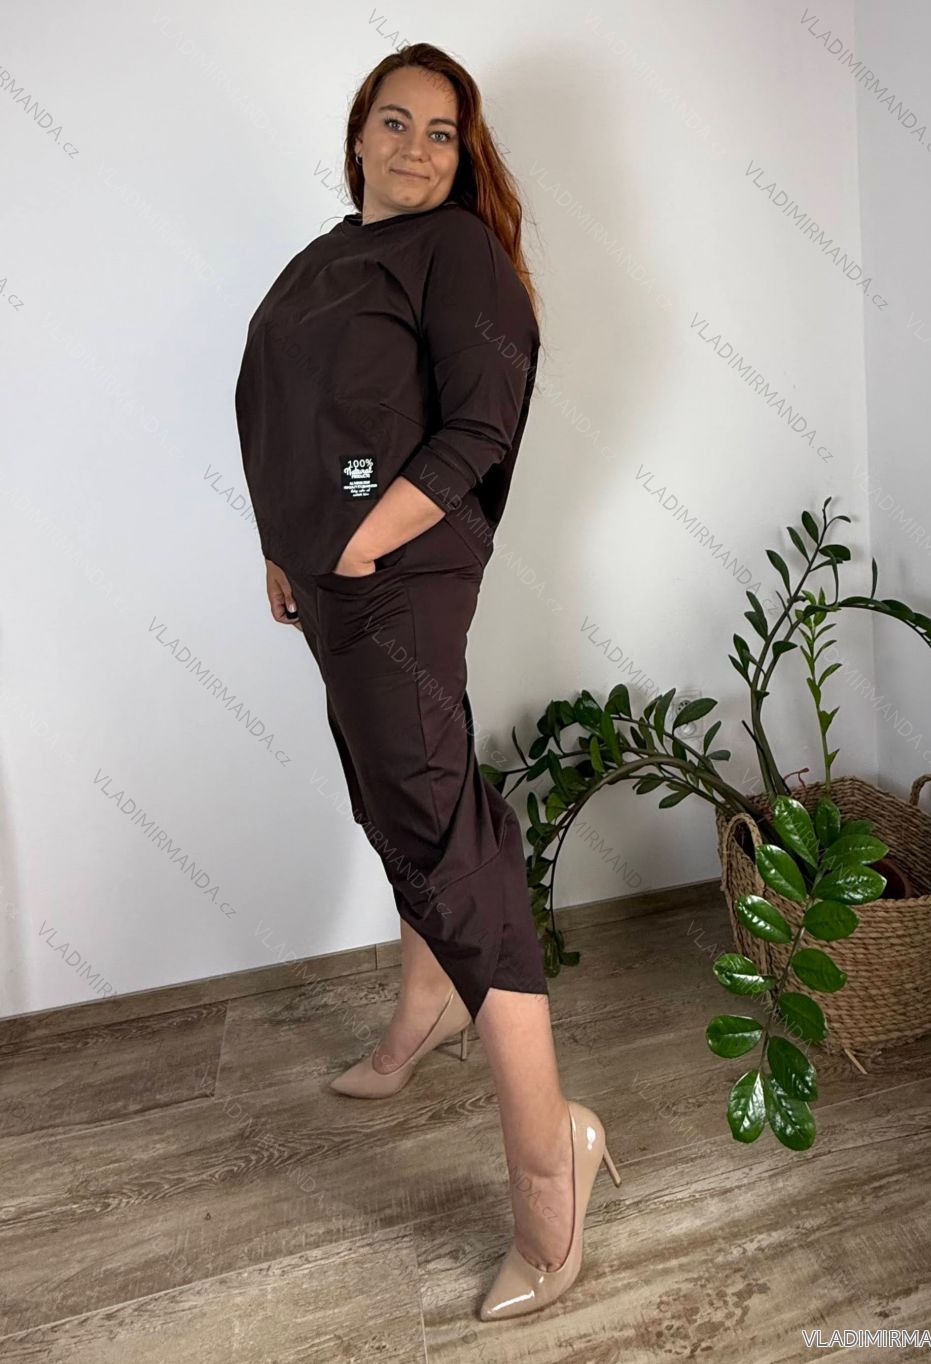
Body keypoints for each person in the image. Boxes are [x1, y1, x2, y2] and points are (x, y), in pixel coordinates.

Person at [234, 41, 620, 1323]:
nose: (415, 147)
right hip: (332, 578)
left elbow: (482, 420)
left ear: (464, 156)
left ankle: (551, 1165)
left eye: (442, 132)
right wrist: (284, 541)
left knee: (443, 836)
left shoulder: (454, 252)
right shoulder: (321, 261)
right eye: (393, 122)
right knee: (394, 797)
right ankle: (424, 1009)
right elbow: (282, 412)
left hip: (394, 578)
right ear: (357, 137)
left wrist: (362, 536)